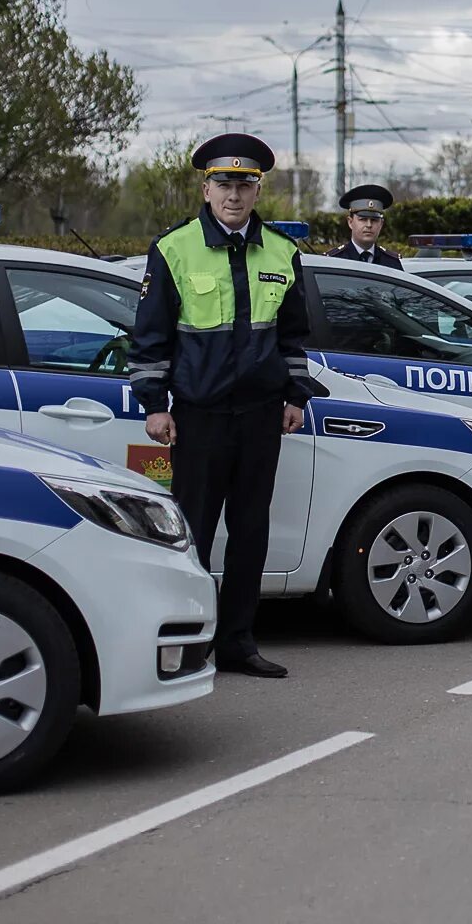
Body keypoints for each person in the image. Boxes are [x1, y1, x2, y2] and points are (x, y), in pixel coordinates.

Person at [129, 134, 316, 679]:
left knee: (250, 532)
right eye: (224, 184)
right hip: (199, 415)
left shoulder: (283, 252)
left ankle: (238, 641)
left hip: (261, 414)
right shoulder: (174, 248)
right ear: (206, 189)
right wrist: (155, 405)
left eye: (245, 184)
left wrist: (295, 396)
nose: (234, 194)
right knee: (193, 531)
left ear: (258, 191)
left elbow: (293, 337)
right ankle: (188, 641)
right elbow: (151, 338)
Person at [326, 184, 405, 269]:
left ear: (381, 224)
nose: (369, 225)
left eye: (374, 220)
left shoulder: (391, 263)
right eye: (363, 219)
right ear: (350, 222)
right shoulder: (335, 261)